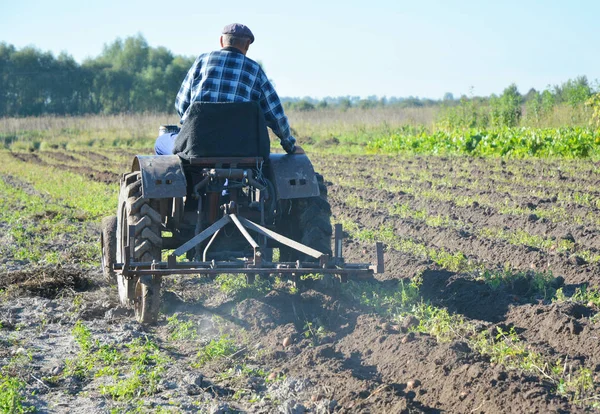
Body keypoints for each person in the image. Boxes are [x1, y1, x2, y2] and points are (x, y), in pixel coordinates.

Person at [155, 23, 302, 155]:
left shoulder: (202, 61)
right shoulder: (254, 70)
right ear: (247, 46)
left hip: (197, 145)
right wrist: (290, 146)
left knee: (162, 141)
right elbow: (276, 116)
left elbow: (181, 104)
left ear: (221, 41)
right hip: (242, 148)